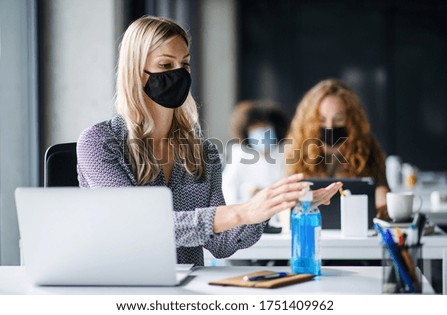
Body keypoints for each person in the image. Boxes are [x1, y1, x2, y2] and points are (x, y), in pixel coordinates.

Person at [77, 16, 341, 266]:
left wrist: (270, 207)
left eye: (185, 64)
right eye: (166, 65)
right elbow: (137, 227)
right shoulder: (99, 143)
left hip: (188, 292)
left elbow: (222, 244)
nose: (179, 74)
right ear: (136, 72)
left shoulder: (201, 150)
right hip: (127, 289)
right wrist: (242, 211)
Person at [286, 79, 389, 220]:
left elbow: (381, 190)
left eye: (339, 119)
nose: (330, 126)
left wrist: (383, 201)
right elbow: (286, 201)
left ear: (352, 120)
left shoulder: (368, 150)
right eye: (321, 120)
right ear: (310, 123)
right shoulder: (298, 152)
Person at [222, 100, 290, 233]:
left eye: (265, 128)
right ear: (246, 132)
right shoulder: (239, 153)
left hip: (280, 223)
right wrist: (249, 190)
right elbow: (228, 188)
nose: (262, 134)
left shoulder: (286, 152)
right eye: (255, 129)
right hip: (245, 223)